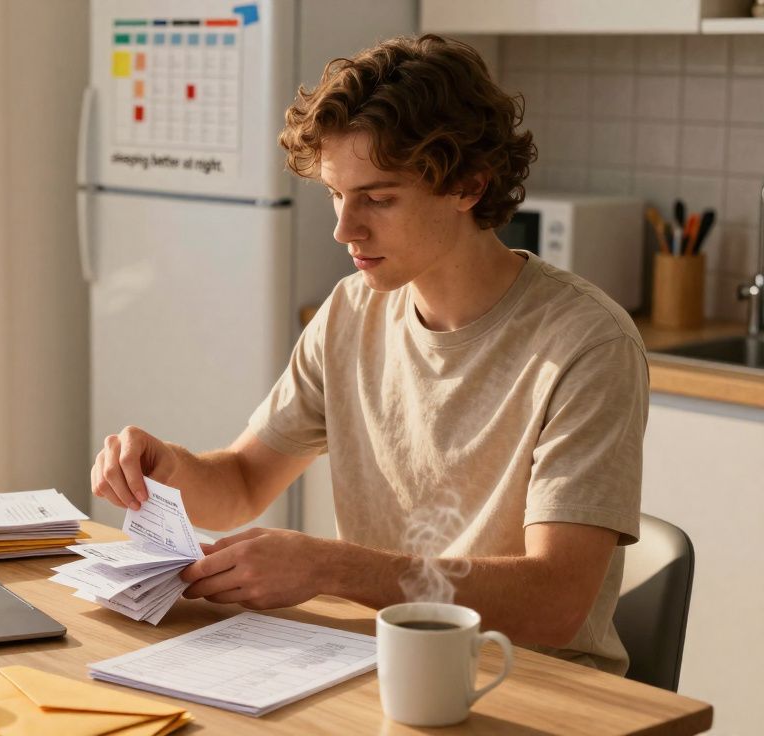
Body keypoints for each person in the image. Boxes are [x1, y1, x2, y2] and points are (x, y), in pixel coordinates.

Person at [90, 34, 648, 675]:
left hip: (533, 686)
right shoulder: (351, 311)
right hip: (382, 665)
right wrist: (169, 469)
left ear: (469, 184)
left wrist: (329, 567)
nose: (344, 228)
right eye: (336, 193)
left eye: (379, 199)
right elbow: (243, 484)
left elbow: (556, 602)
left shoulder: (586, 343)